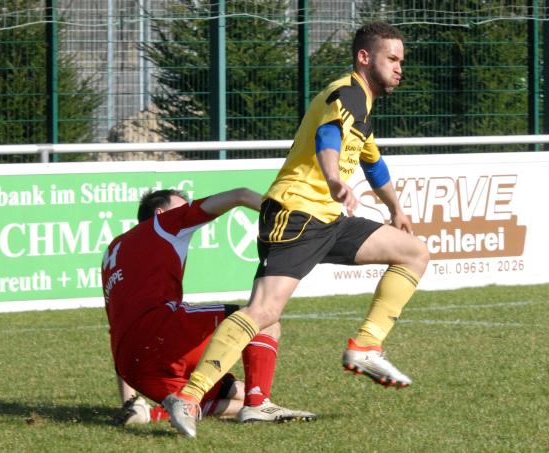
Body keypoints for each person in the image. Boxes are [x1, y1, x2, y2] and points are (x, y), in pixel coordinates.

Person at [161, 21, 430, 438]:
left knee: (413, 251)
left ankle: (364, 346)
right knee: (264, 311)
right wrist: (335, 179)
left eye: (401, 61)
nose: (400, 68)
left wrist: (395, 208)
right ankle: (189, 396)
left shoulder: (363, 106)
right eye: (392, 59)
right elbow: (328, 136)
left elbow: (372, 161)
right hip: (298, 213)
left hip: (327, 217)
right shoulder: (349, 92)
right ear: (364, 57)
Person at [102, 188, 316, 427]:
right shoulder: (165, 224)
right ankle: (258, 405)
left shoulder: (113, 249)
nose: (187, 211)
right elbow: (241, 195)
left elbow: (116, 327)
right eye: (182, 206)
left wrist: (128, 398)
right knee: (264, 318)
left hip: (133, 364)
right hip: (162, 332)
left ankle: (151, 413)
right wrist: (292, 217)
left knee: (237, 391)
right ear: (160, 213)